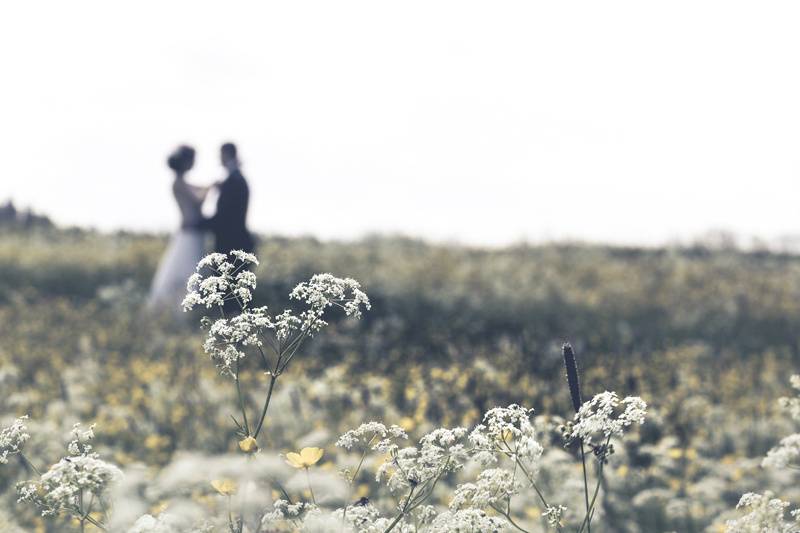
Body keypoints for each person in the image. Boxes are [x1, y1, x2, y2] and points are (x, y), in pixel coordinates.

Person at [148, 145, 209, 310]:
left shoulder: (183, 183)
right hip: (189, 233)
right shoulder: (179, 183)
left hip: (192, 233)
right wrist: (210, 189)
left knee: (190, 272)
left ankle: (184, 308)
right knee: (185, 272)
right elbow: (198, 200)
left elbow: (199, 189)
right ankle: (177, 308)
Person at [199, 142, 255, 254]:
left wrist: (199, 224)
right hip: (232, 242)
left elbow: (227, 215)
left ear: (226, 154)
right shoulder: (234, 179)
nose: (219, 158)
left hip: (232, 243)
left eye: (220, 154)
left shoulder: (234, 180)